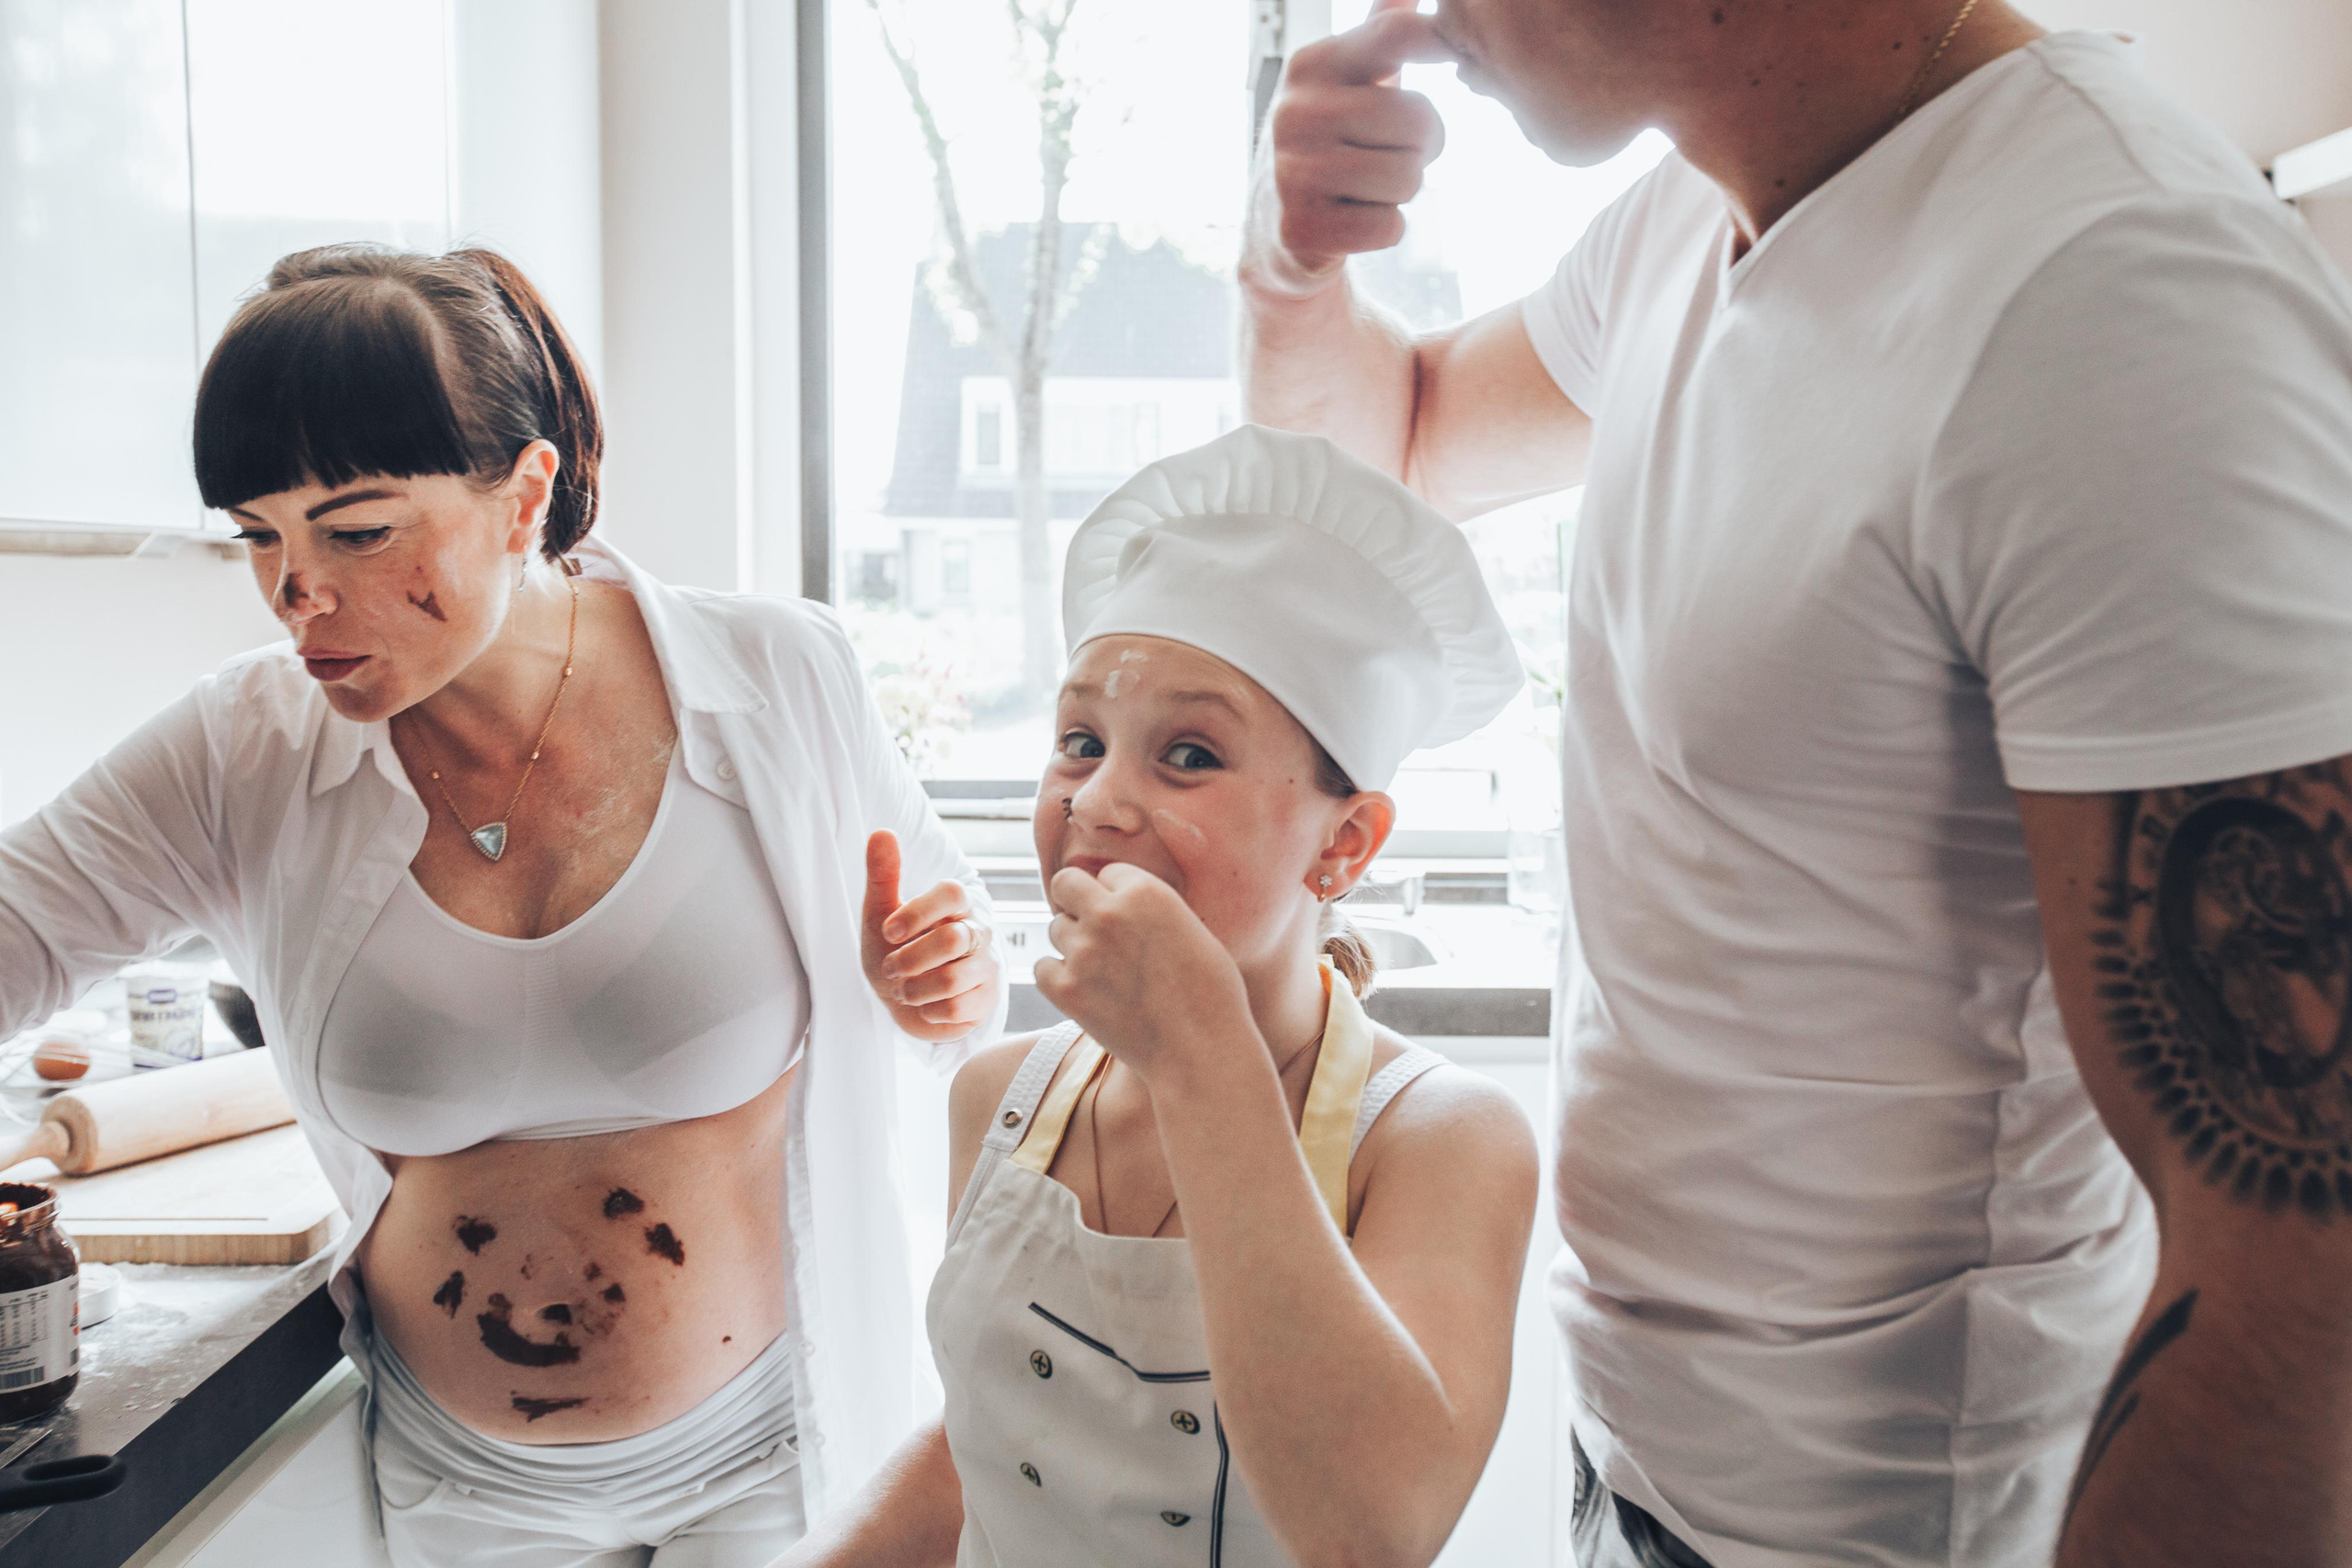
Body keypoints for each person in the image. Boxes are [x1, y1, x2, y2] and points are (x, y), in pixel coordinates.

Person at [1242, 2, 2352, 1565]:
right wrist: (1292, 273)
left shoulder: (2117, 287)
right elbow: (1402, 442)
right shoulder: (1689, 217)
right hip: (1642, 1471)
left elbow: (2302, 1259)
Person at [0, 244, 1005, 1566]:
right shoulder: (243, 745)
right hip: (469, 1483)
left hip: (777, 1447)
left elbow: (959, 973)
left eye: (357, 529)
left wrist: (940, 970)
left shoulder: (778, 675)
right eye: (259, 535)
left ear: (524, 494)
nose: (298, 592)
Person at [780, 424, 1542, 1568]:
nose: (1095, 803)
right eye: (1079, 740)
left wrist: (1200, 1051)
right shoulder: (1000, 1095)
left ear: (1345, 843)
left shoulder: (1441, 1141)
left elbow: (1372, 1532)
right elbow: (976, 1450)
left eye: (1188, 755)